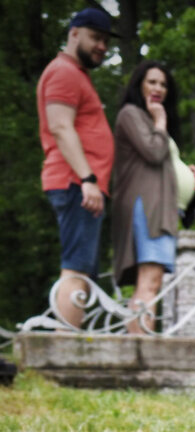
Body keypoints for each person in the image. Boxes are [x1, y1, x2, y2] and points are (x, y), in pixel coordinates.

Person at [36, 8, 118, 328]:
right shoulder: (64, 72)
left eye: (106, 41)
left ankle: (67, 344)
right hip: (74, 182)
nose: (102, 46)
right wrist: (88, 179)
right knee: (75, 269)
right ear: (74, 34)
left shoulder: (75, 74)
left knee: (81, 270)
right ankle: (65, 352)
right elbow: (60, 127)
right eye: (96, 38)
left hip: (79, 183)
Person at [112, 60, 195, 334]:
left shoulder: (149, 120)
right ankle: (140, 348)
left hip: (163, 207)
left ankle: (139, 343)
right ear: (138, 84)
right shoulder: (131, 114)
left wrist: (187, 173)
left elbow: (160, 159)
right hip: (149, 208)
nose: (158, 88)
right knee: (149, 281)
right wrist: (160, 121)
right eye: (152, 82)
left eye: (163, 84)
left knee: (152, 281)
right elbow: (153, 151)